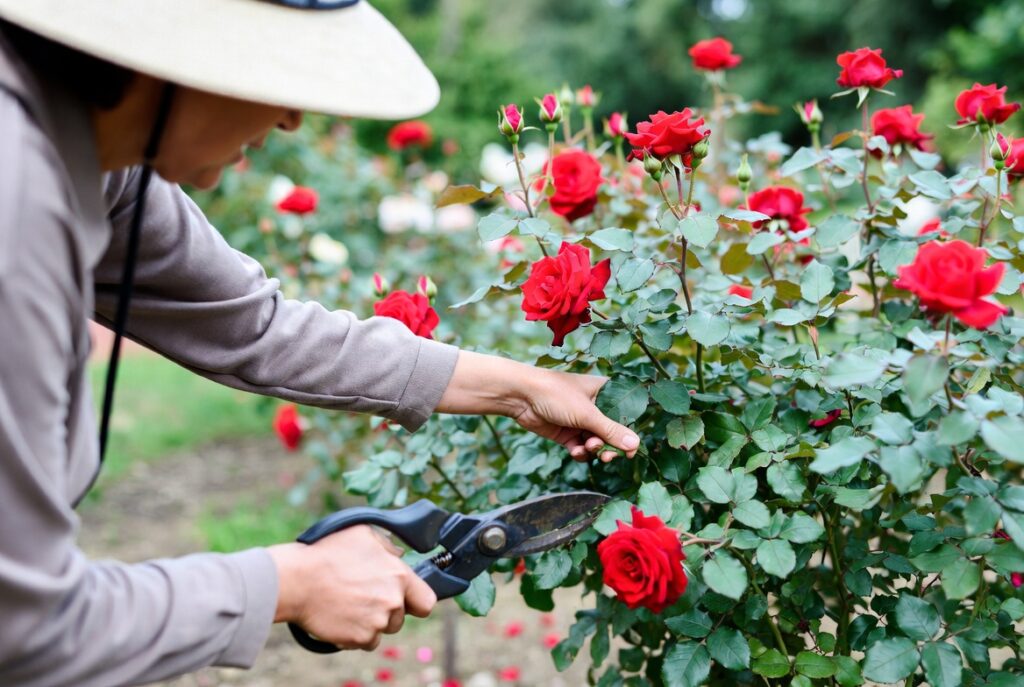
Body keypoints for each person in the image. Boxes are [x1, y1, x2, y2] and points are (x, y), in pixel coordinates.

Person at [0, 1, 640, 685]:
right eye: (277, 69)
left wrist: (520, 387)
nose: (291, 118)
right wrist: (288, 583)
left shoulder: (103, 158)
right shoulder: (17, 200)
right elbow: (27, 626)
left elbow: (255, 327)